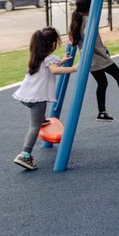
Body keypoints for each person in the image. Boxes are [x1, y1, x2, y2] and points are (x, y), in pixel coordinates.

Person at [12, 27, 79, 170]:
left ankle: (41, 119)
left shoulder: (36, 57)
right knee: (34, 127)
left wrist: (61, 61)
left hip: (25, 97)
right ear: (52, 44)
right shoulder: (50, 58)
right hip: (37, 99)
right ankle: (25, 154)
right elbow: (54, 70)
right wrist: (74, 68)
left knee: (38, 120)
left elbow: (49, 68)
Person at [68, 0, 119, 121]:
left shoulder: (77, 18)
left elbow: (77, 39)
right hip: (98, 57)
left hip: (91, 58)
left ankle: (102, 112)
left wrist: (101, 45)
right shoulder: (88, 21)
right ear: (90, 7)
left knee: (102, 83)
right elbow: (87, 36)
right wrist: (100, 48)